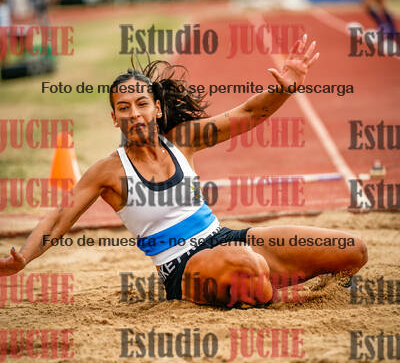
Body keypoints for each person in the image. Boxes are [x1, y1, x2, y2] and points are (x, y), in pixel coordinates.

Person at [0, 35, 367, 307]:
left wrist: (284, 89)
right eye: (123, 107)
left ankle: (261, 286)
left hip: (223, 238)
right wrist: (24, 258)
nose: (134, 113)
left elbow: (246, 114)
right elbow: (59, 218)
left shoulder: (184, 140)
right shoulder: (108, 172)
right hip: (183, 268)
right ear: (114, 118)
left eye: (141, 103)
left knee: (352, 250)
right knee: (247, 264)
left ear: (158, 109)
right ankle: (286, 295)